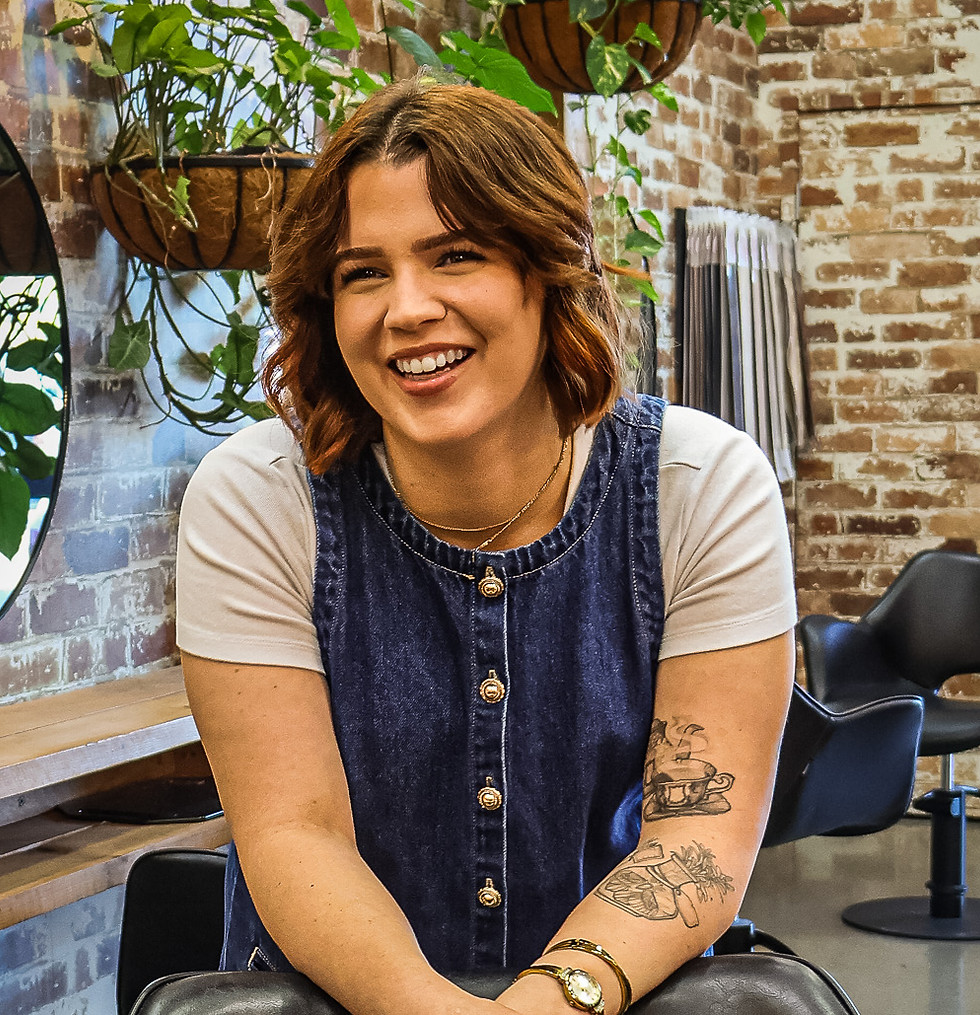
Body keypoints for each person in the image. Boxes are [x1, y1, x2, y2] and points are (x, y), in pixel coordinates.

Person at [176, 76, 796, 1015]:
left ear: (549, 271)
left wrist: (551, 1001)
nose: (408, 308)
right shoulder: (259, 501)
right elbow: (295, 833)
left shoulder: (699, 487)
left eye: (455, 255)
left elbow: (692, 839)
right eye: (364, 272)